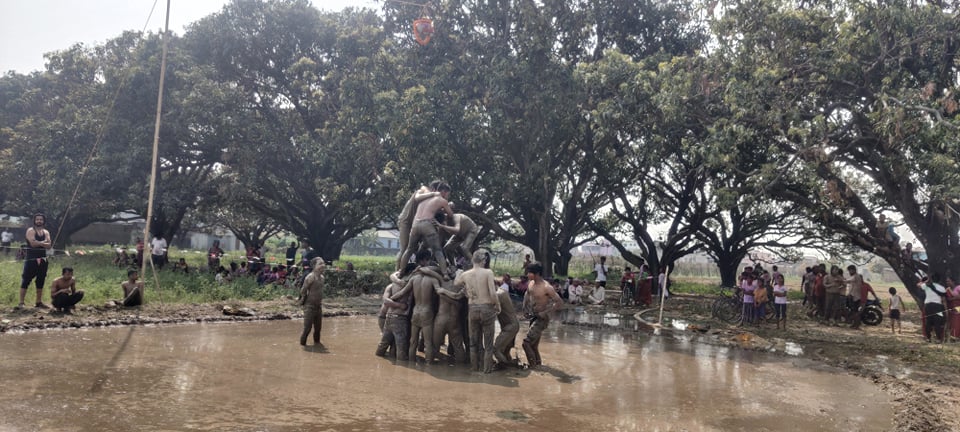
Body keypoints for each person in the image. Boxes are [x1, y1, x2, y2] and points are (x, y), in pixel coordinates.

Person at [451, 249, 500, 372]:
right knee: (488, 344)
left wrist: (458, 272)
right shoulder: (488, 272)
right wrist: (498, 306)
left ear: (473, 260)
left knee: (473, 343)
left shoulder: (465, 274)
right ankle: (486, 371)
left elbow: (456, 283)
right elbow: (493, 293)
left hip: (472, 309)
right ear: (484, 260)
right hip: (487, 308)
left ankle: (474, 369)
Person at [398, 183, 454, 277]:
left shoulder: (424, 197)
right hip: (427, 224)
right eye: (448, 194)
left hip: (415, 224)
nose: (447, 196)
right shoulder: (442, 200)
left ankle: (401, 272)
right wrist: (448, 206)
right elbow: (450, 214)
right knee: (437, 250)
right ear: (444, 191)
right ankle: (445, 274)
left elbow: (419, 200)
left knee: (409, 249)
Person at [522, 262, 563, 367]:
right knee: (534, 345)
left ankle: (532, 368)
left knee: (526, 343)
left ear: (537, 273)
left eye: (529, 273)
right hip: (533, 316)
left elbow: (559, 302)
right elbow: (527, 293)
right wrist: (524, 308)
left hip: (542, 319)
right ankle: (539, 366)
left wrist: (545, 312)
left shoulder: (546, 287)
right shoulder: (531, 283)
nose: (527, 275)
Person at [396, 182, 441, 271]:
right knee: (405, 247)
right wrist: (433, 194)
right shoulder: (424, 190)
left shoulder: (432, 200)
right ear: (434, 189)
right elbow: (417, 198)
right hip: (406, 221)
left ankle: (418, 266)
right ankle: (398, 271)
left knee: (422, 245)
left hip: (417, 223)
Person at [376, 264, 416, 359]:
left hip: (389, 317)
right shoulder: (410, 283)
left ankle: (380, 359)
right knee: (400, 346)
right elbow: (386, 301)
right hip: (399, 318)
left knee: (384, 343)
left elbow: (386, 300)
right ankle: (401, 367)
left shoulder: (394, 284)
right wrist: (401, 305)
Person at [18, 213, 52, 310]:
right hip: (31, 259)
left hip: (43, 259)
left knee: (41, 280)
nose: (39, 221)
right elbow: (32, 244)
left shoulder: (46, 232)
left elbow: (49, 245)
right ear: (34, 220)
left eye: (41, 219)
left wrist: (40, 243)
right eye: (37, 219)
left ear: (43, 221)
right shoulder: (30, 230)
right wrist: (43, 243)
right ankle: (21, 303)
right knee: (26, 280)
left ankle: (38, 302)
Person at [494, 278, 520, 368]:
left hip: (510, 327)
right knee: (505, 351)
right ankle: (511, 364)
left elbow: (489, 311)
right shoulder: (503, 291)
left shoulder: (498, 295)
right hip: (514, 325)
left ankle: (505, 367)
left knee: (496, 349)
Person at [299, 258, 325, 346]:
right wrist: (304, 300)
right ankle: (302, 346)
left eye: (323, 263)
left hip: (318, 306)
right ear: (314, 266)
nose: (323, 265)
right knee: (307, 329)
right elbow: (303, 291)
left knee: (318, 329)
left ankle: (317, 345)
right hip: (309, 306)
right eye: (320, 264)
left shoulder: (322, 277)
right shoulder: (310, 277)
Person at [919, 274, 947, 343]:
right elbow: (944, 297)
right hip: (938, 306)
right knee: (937, 322)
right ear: (939, 280)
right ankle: (938, 339)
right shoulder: (942, 288)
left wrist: (926, 281)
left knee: (928, 321)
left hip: (928, 306)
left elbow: (919, 284)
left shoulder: (927, 286)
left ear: (932, 279)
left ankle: (928, 338)